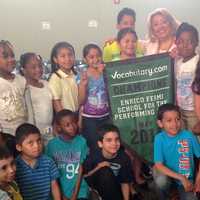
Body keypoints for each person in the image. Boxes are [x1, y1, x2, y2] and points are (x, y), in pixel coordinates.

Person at [153, 103, 200, 200]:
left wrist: (198, 180)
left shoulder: (189, 136)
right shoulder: (159, 139)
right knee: (160, 181)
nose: (174, 124)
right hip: (168, 176)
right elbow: (159, 165)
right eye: (169, 120)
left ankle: (177, 192)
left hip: (187, 179)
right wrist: (181, 177)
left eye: (177, 119)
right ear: (160, 123)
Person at [46, 109, 89, 200]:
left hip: (79, 190)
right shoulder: (51, 145)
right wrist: (62, 195)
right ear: (59, 128)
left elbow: (81, 169)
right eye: (67, 125)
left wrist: (74, 195)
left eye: (74, 123)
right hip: (59, 190)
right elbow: (50, 172)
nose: (72, 127)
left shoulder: (81, 141)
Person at [83, 124, 133, 200]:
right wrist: (98, 167)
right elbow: (84, 176)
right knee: (105, 171)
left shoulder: (124, 157)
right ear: (100, 144)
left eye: (117, 139)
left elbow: (124, 183)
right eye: (109, 140)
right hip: (96, 188)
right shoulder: (93, 156)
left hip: (115, 188)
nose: (114, 143)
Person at [15, 123, 61, 200]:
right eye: (30, 143)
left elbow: (54, 186)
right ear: (19, 147)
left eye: (39, 141)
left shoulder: (48, 162)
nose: (36, 146)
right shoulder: (15, 166)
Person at [78, 44, 110, 150]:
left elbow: (110, 92)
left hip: (106, 116)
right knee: (94, 146)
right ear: (85, 59)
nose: (95, 59)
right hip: (90, 119)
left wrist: (103, 74)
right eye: (91, 57)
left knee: (107, 144)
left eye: (98, 56)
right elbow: (81, 101)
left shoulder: (106, 71)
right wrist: (83, 84)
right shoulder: (83, 75)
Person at [20, 52, 54, 145]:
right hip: (33, 134)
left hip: (49, 132)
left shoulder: (46, 84)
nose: (38, 69)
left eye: (40, 66)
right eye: (33, 67)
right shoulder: (25, 89)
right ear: (24, 70)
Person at [175, 22, 199, 130]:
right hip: (180, 111)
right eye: (181, 41)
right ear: (176, 43)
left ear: (196, 43)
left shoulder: (197, 61)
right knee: (185, 143)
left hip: (195, 112)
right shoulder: (177, 63)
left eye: (190, 41)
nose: (185, 45)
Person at [0, 40, 27, 136]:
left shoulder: (22, 80)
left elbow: (29, 107)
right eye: (5, 57)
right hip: (5, 134)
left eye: (12, 56)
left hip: (24, 133)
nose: (11, 59)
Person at [48, 42, 79, 112]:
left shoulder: (75, 75)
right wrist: (64, 120)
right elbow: (56, 102)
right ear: (55, 59)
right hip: (66, 118)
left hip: (78, 114)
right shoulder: (55, 78)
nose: (67, 59)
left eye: (70, 55)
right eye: (63, 56)